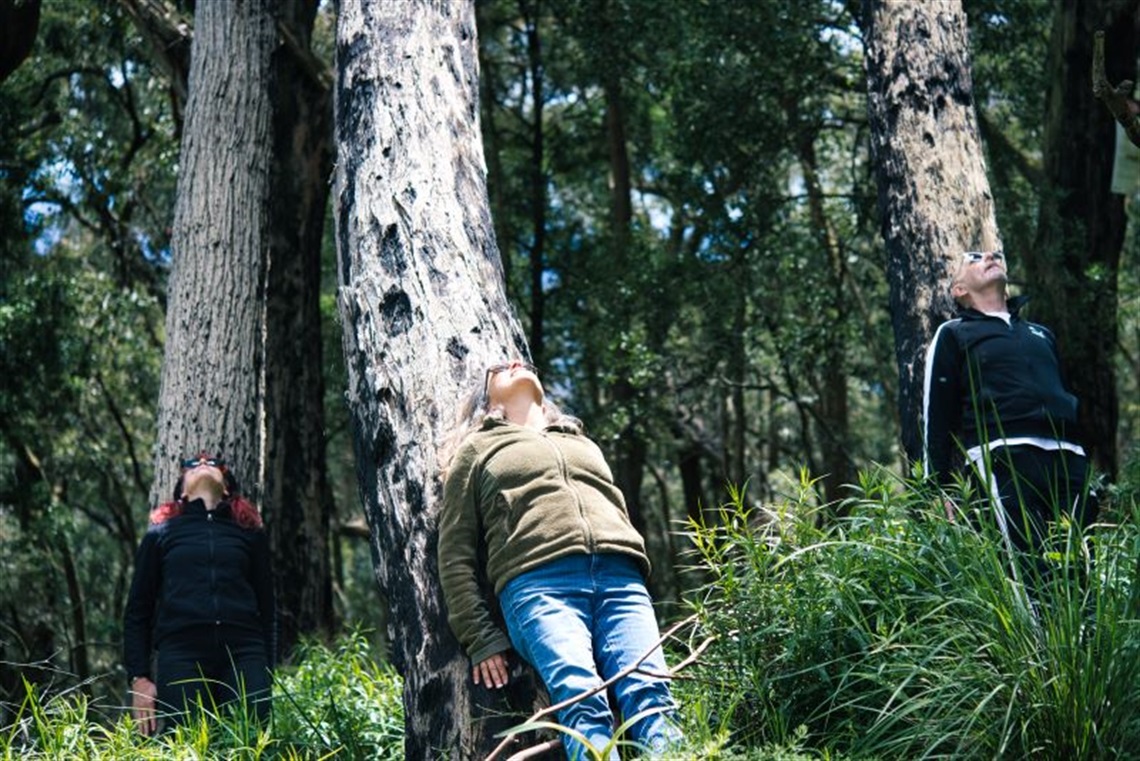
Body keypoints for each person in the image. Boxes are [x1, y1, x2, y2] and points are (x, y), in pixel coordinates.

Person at [438, 360, 682, 759]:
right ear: (486, 399)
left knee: (651, 691)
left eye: (523, 362)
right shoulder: (478, 449)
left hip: (621, 578)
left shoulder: (582, 442)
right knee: (581, 696)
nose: (516, 363)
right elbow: (453, 552)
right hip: (538, 585)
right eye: (501, 366)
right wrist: (479, 636)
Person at [922, 249, 1096, 590]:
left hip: (1068, 458)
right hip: (1003, 457)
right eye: (973, 258)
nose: (990, 255)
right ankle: (1034, 644)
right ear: (959, 290)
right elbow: (936, 413)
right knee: (1025, 566)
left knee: (1080, 564)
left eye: (993, 254)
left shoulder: (1041, 334)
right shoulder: (954, 332)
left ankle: (1084, 642)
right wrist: (938, 489)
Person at [123, 452, 276, 735]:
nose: (202, 464)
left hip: (244, 652)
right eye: (192, 465)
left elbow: (268, 608)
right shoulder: (162, 533)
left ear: (226, 486)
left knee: (251, 743)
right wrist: (139, 679)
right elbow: (137, 611)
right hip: (181, 654)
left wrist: (267, 668)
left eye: (212, 463)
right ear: (182, 489)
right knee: (189, 745)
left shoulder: (249, 534)